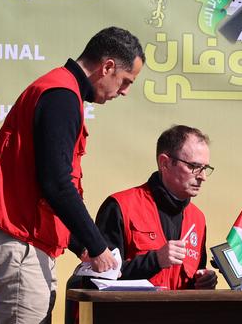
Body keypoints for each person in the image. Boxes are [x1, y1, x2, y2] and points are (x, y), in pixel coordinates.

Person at [0, 26, 145, 324]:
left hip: (28, 242)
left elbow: (49, 188)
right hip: (18, 240)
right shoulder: (61, 95)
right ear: (108, 67)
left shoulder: (63, 91)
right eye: (126, 81)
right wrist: (98, 247)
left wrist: (83, 245)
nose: (124, 91)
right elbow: (57, 184)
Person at [65, 125, 217, 323]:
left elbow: (191, 281)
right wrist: (154, 261)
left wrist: (203, 281)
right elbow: (97, 280)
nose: (202, 176)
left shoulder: (198, 218)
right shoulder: (121, 206)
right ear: (165, 163)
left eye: (205, 168)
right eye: (194, 167)